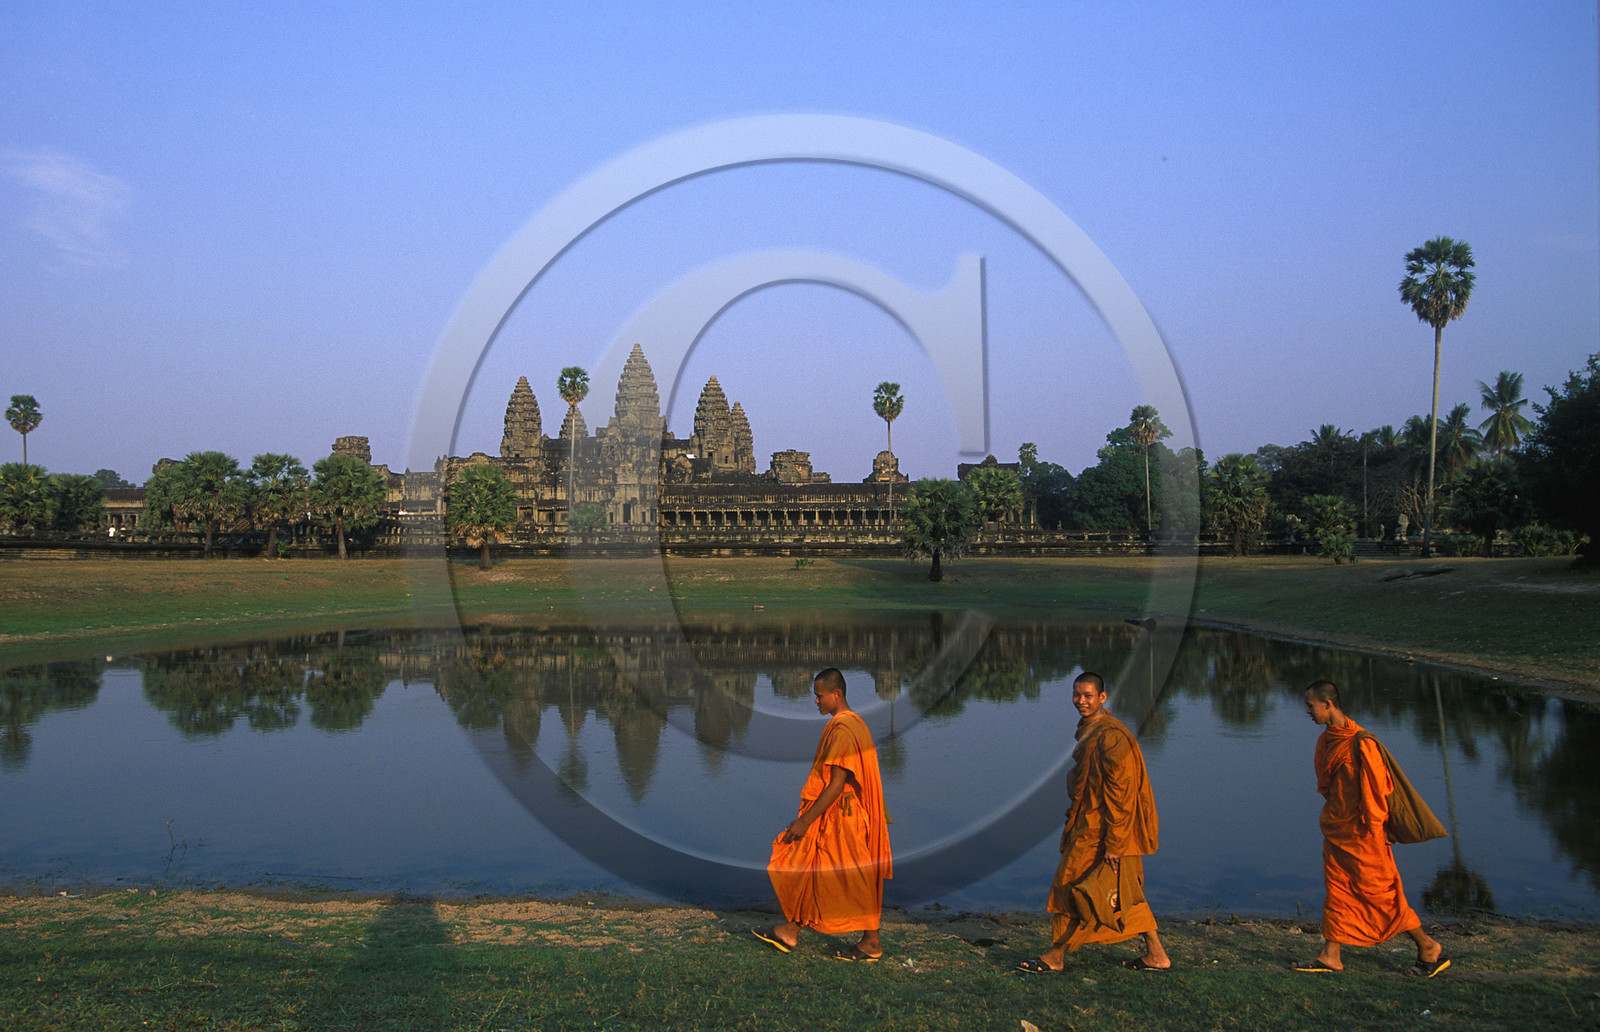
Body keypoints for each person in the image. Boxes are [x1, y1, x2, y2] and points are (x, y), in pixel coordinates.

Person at [1018, 671, 1170, 973]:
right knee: (1122, 892)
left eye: (1088, 696)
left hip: (1105, 832)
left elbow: (1122, 793)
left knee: (1072, 887)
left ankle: (1056, 956)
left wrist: (1116, 842)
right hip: (1090, 824)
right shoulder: (1092, 730)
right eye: (1077, 695)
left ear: (1103, 697)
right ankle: (1156, 955)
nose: (1081, 701)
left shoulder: (1111, 737)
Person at [1296, 679, 1450, 976]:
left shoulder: (1362, 743)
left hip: (1364, 836)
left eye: (1310, 705)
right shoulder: (1327, 740)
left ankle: (1427, 945)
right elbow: (1329, 787)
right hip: (1338, 830)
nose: (1307, 711)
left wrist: (1376, 832)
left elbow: (1376, 793)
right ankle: (1331, 954)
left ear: (1327, 705)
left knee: (1382, 895)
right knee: (1337, 890)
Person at [753, 667, 893, 960]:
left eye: (819, 697)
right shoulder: (853, 724)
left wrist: (805, 821)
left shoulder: (844, 730)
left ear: (835, 694)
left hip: (843, 818)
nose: (816, 702)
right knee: (809, 864)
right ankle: (791, 930)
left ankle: (871, 941)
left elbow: (836, 785)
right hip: (838, 815)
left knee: (855, 877)